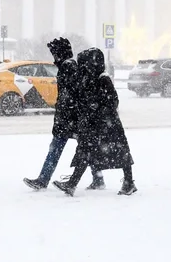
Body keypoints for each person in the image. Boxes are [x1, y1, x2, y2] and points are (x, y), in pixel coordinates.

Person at [53, 47, 137, 197]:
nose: (83, 68)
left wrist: (97, 108)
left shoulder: (103, 79)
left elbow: (113, 102)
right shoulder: (88, 79)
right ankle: (72, 183)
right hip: (93, 125)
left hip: (107, 125)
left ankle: (129, 182)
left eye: (85, 64)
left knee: (119, 153)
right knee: (85, 152)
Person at [23, 38, 104, 191]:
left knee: (60, 148)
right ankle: (98, 178)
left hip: (69, 119)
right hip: (71, 118)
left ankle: (43, 179)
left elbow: (71, 94)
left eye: (54, 53)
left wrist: (65, 112)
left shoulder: (68, 67)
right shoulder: (68, 66)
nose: (53, 56)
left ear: (60, 53)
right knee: (86, 149)